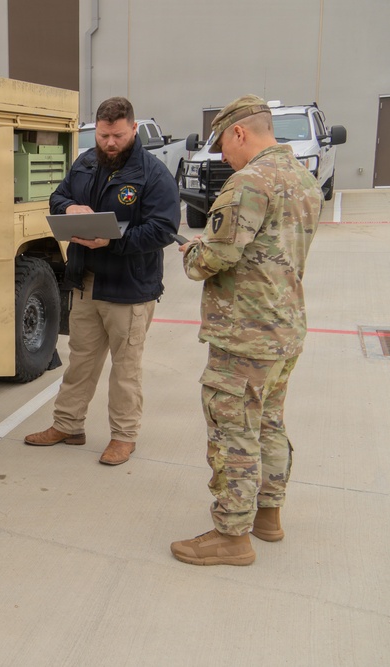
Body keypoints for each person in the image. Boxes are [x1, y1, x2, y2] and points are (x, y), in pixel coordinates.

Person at [170, 95, 322, 566]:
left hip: (245, 335)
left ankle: (231, 537)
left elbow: (217, 256)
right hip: (284, 329)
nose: (221, 155)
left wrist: (193, 253)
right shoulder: (303, 179)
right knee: (270, 423)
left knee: (232, 429)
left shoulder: (249, 182)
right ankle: (267, 516)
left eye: (222, 144)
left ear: (240, 133)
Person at [23, 97, 179, 465]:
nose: (110, 143)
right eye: (105, 135)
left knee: (125, 370)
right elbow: (57, 196)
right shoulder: (86, 163)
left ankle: (124, 437)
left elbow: (164, 230)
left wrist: (116, 240)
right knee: (81, 362)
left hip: (129, 289)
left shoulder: (153, 175)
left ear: (134, 129)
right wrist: (69, 208)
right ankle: (68, 425)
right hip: (86, 282)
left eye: (118, 136)